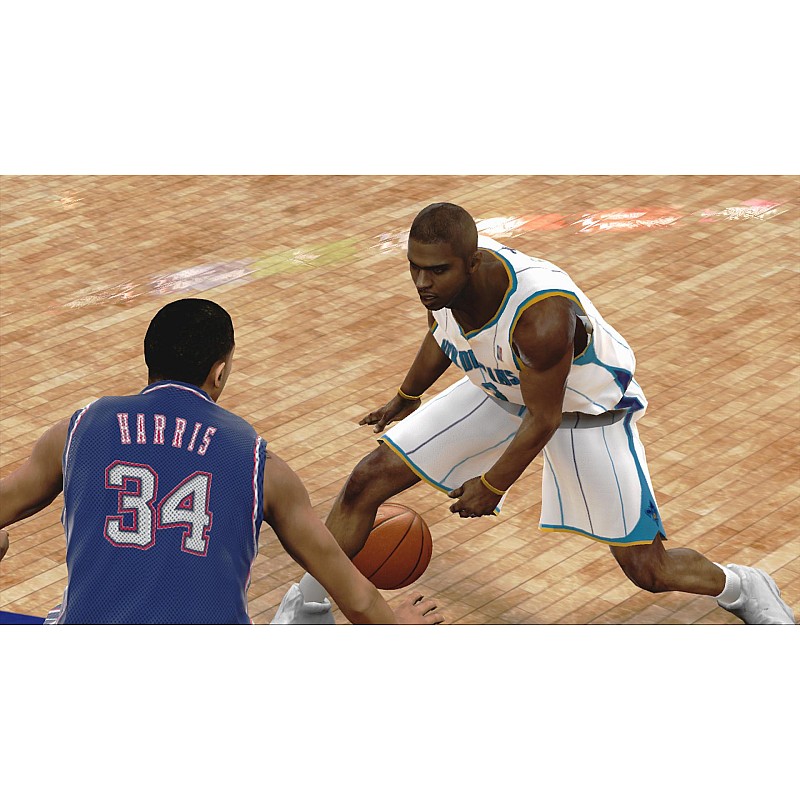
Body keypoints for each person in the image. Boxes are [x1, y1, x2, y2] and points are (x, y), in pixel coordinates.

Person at [275, 203, 795, 625]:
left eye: (435, 271)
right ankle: (309, 607)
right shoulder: (443, 278)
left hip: (582, 410)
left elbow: (543, 419)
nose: (422, 282)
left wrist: (492, 485)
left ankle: (743, 586)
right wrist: (406, 395)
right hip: (503, 388)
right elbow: (443, 331)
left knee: (648, 568)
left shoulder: (540, 316)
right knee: (367, 480)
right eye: (414, 267)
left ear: (473, 262)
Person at [0, 298, 443, 625]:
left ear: (150, 359)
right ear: (219, 371)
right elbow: (357, 597)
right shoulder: (261, 465)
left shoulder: (76, 431)